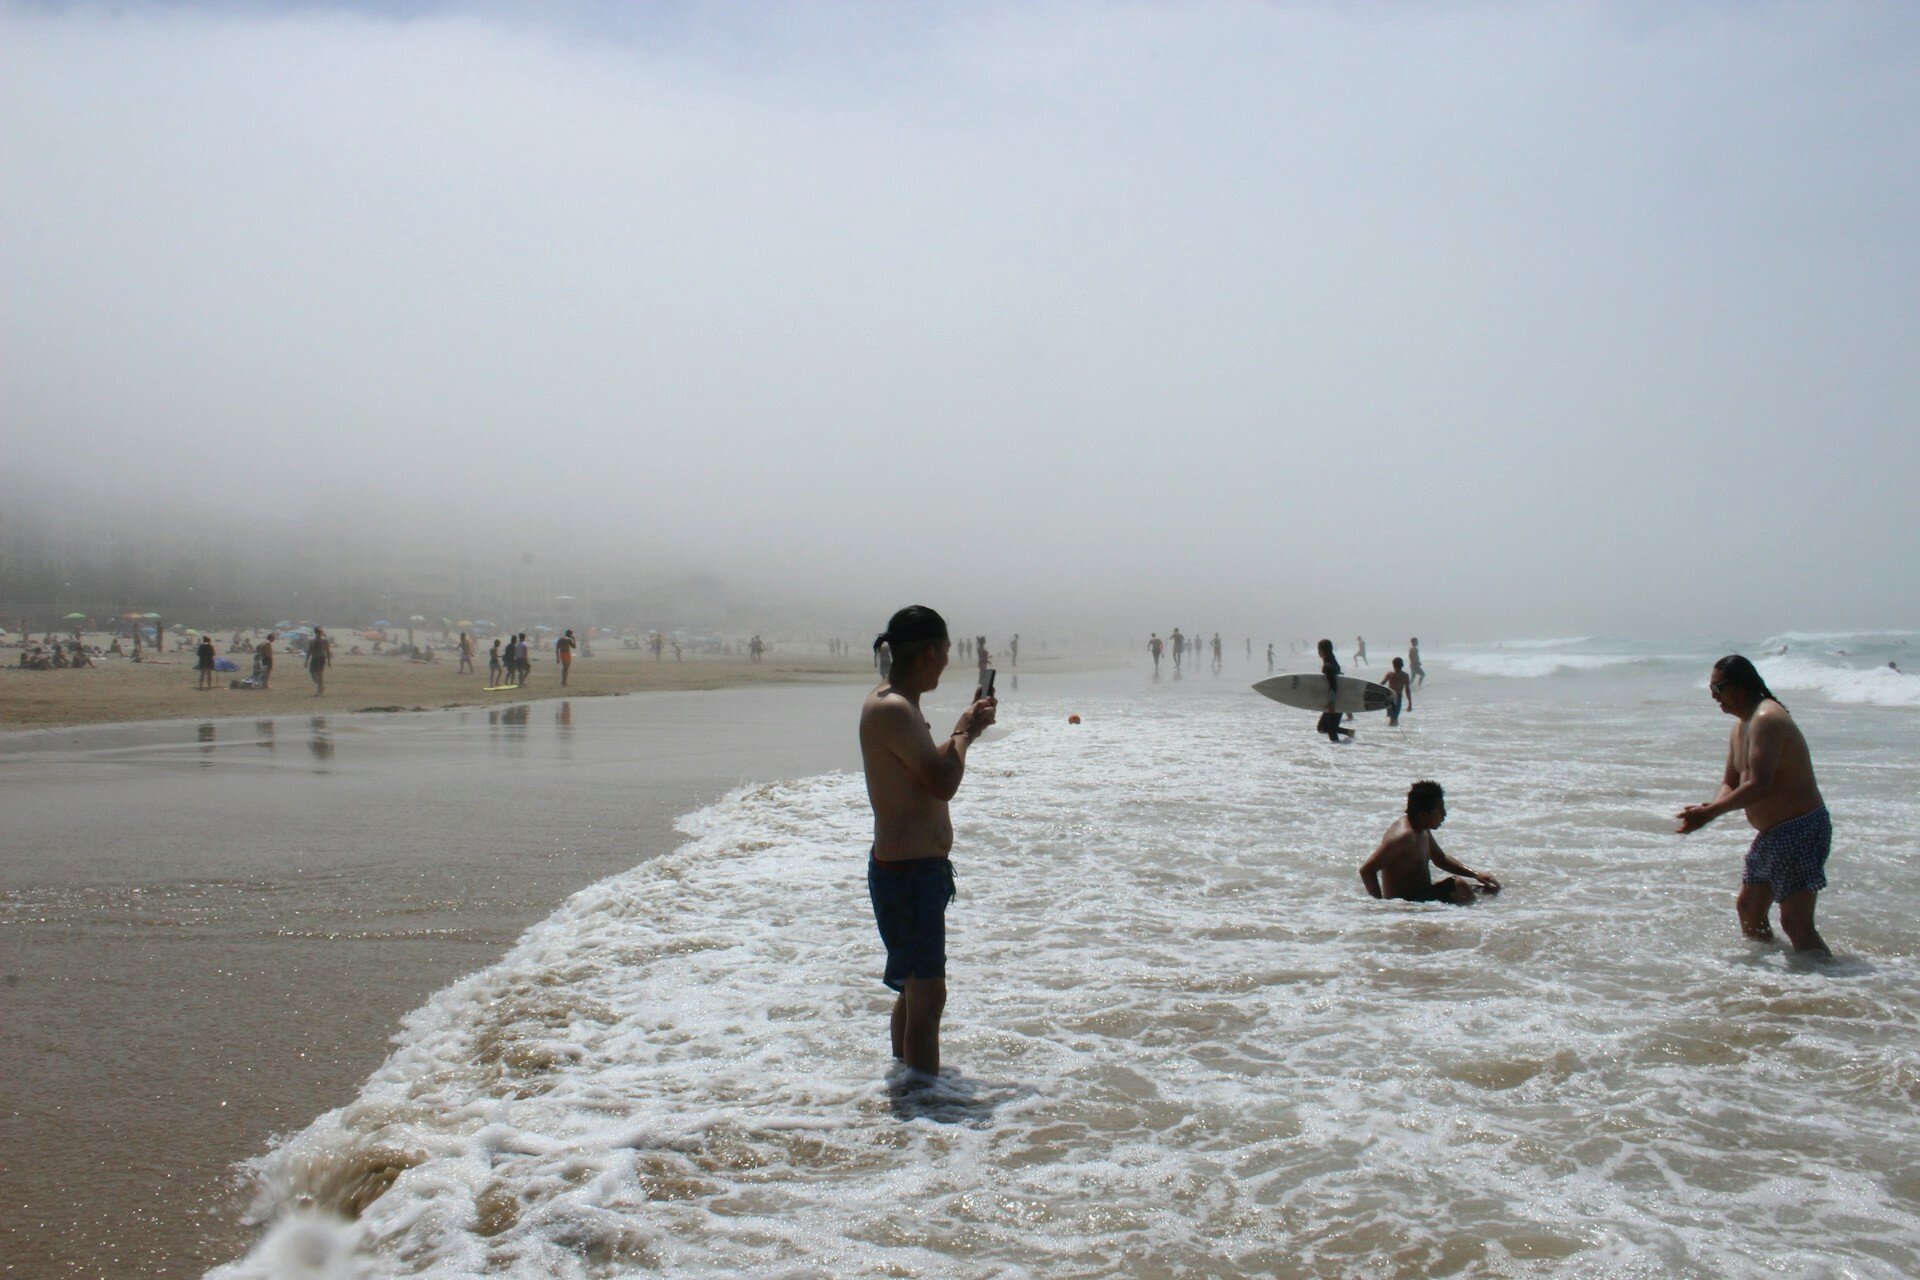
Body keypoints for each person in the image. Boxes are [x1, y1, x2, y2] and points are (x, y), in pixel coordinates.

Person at [859, 605, 997, 1082]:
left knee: (915, 991)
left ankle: (907, 1086)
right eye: (946, 652)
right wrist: (962, 732)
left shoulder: (897, 703)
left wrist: (966, 732)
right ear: (930, 653)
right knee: (928, 996)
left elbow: (924, 774)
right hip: (908, 874)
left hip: (913, 870)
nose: (947, 663)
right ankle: (924, 1111)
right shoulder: (893, 708)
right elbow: (941, 783)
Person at [1676, 655, 1832, 955]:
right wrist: (1708, 809)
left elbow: (1760, 785)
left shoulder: (1767, 720)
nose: (1713, 697)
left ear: (1741, 687)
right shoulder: (1741, 725)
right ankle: (1775, 975)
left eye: (1718, 688)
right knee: (1749, 909)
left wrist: (1710, 813)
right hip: (1773, 835)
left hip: (1800, 828)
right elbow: (1732, 782)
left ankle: (1830, 983)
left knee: (1796, 922)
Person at [1361, 781, 1501, 904]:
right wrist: (1379, 906)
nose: (1444, 814)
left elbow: (1441, 859)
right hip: (1407, 903)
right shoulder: (1404, 837)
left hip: (1424, 895)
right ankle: (1477, 920)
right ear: (1423, 815)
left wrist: (1476, 875)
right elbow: (1367, 870)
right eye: (1440, 810)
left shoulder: (1422, 829)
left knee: (1490, 890)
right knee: (1459, 885)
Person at [1315, 639, 1353, 742]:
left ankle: (1341, 754)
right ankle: (1349, 734)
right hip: (1337, 699)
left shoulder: (1328, 666)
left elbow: (1333, 685)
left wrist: (1332, 702)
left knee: (1331, 732)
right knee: (1322, 728)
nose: (1318, 652)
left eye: (1318, 649)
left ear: (1322, 651)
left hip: (1334, 701)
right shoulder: (1333, 662)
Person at [1381, 656, 1413, 726]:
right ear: (1402, 665)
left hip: (1389, 697)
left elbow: (1381, 685)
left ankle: (1391, 731)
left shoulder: (1390, 674)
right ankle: (1391, 733)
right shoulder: (1405, 676)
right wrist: (1410, 703)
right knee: (1394, 718)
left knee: (1393, 718)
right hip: (1397, 697)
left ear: (1393, 665)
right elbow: (1407, 690)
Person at [307, 627, 331, 696]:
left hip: (321, 658)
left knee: (320, 675)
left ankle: (319, 690)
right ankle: (321, 686)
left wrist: (329, 661)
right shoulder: (312, 641)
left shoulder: (324, 641)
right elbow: (309, 651)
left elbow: (328, 651)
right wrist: (306, 660)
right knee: (313, 674)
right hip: (315, 658)